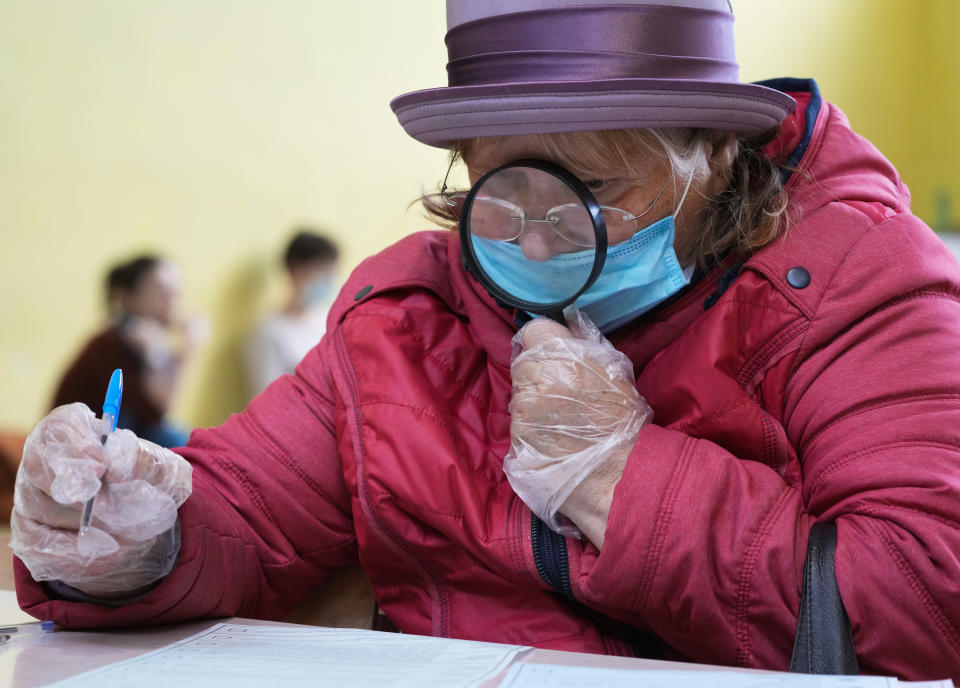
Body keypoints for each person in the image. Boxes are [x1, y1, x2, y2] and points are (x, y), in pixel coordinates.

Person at [11, 0, 960, 681]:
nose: (535, 240)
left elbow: (929, 609)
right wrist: (135, 537)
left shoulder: (858, 277)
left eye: (588, 188)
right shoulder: (404, 309)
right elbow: (251, 512)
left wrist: (624, 483)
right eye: (501, 190)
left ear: (712, 151)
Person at [50, 255, 205, 448]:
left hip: (102, 442)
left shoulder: (145, 343)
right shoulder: (110, 344)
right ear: (127, 297)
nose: (172, 301)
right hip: (74, 449)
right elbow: (156, 412)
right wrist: (189, 349)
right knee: (175, 441)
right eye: (162, 291)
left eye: (176, 291)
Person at [245, 230, 340, 397]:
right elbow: (267, 398)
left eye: (330, 270)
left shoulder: (330, 320)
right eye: (320, 269)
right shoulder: (269, 331)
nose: (326, 278)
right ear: (294, 268)